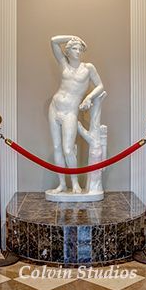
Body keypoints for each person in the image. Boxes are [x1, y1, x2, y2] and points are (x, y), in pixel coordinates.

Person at [47, 35, 105, 195]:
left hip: (70, 111)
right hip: (54, 107)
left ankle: (74, 183)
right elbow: (53, 40)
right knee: (57, 147)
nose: (78, 51)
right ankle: (62, 184)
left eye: (80, 49)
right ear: (68, 50)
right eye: (74, 48)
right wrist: (74, 36)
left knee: (67, 149)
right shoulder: (63, 64)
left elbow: (100, 85)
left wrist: (88, 97)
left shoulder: (88, 68)